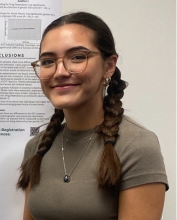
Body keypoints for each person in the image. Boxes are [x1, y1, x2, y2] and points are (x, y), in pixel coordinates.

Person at [17, 12, 168, 220]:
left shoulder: (136, 146)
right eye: (48, 61)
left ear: (109, 66)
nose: (59, 71)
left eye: (77, 57)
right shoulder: (37, 147)